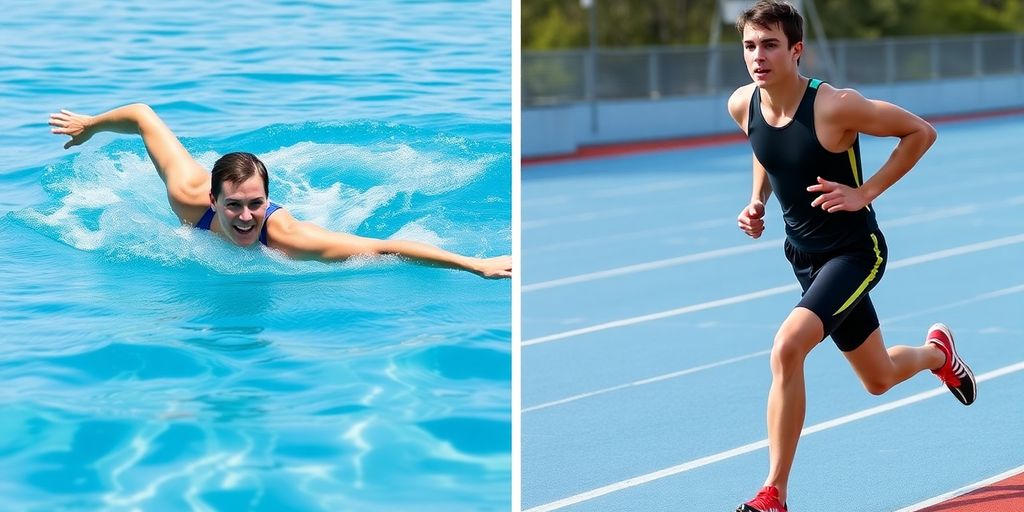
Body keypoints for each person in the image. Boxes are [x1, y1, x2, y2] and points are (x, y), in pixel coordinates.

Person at [726, 2, 975, 511]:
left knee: (786, 347)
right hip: (802, 256)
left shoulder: (835, 106)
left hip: (854, 253)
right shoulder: (742, 104)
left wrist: (867, 192)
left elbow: (920, 132)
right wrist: (757, 201)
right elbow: (764, 149)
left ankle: (773, 492)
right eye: (751, 45)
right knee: (878, 378)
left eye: (771, 44)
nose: (759, 56)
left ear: (796, 51)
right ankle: (938, 355)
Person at [48, 104, 512, 279]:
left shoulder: (287, 238)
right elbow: (143, 116)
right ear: (214, 202)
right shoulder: (187, 195)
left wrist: (472, 264)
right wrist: (91, 125)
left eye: (256, 203)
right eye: (234, 205)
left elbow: (384, 246)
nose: (247, 217)